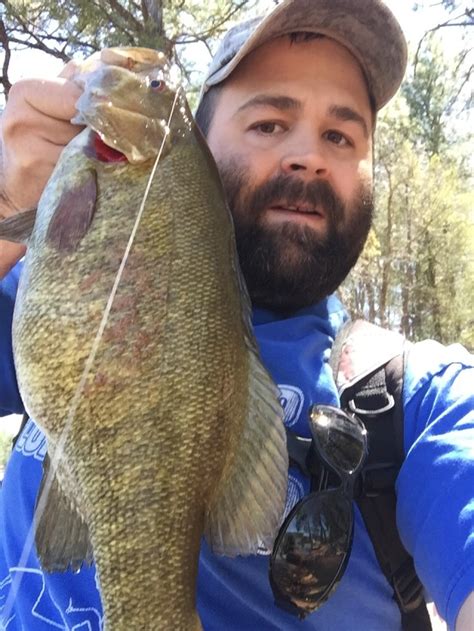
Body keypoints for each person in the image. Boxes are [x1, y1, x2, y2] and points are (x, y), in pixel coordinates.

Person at [0, 0, 473, 629]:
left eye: (340, 135)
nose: (308, 154)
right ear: (199, 144)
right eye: (270, 123)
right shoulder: (56, 292)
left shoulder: (421, 402)